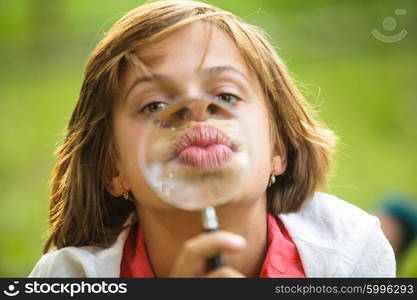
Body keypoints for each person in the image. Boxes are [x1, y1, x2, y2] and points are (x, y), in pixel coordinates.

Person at [29, 0, 395, 277]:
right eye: (155, 104)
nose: (194, 111)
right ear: (113, 168)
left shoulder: (349, 250)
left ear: (278, 148)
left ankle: (395, 223)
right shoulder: (68, 276)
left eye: (225, 97)